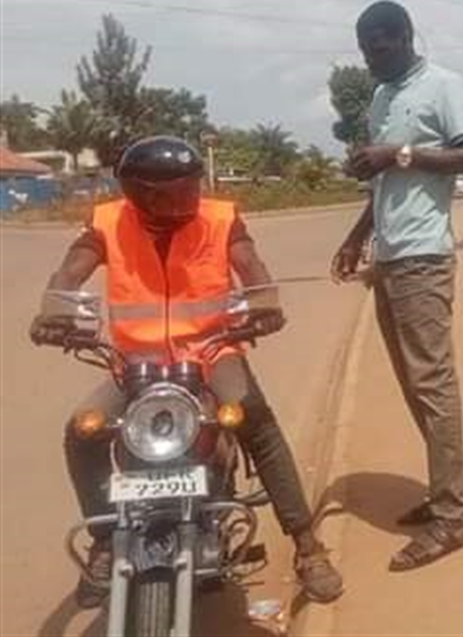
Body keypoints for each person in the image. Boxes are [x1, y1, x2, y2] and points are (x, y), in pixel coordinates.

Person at [30, 136, 344, 607]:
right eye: (178, 191)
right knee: (83, 429)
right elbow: (72, 269)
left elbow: (249, 263)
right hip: (135, 364)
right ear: (141, 193)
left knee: (253, 416)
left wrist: (263, 303)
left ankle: (307, 546)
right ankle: (102, 539)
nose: (191, 197)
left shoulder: (220, 217)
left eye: (193, 186)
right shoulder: (107, 221)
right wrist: (54, 310)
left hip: (211, 352)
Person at [331, 0, 463, 572]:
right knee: (411, 382)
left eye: (376, 48)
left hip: (425, 257)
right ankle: (457, 489)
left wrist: (396, 153)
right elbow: (384, 185)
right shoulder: (379, 98)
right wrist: (356, 237)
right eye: (363, 50)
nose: (369, 59)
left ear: (401, 37)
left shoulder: (444, 86)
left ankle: (452, 520)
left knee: (433, 384)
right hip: (391, 257)